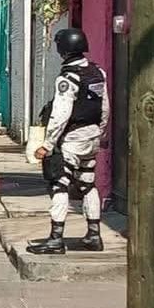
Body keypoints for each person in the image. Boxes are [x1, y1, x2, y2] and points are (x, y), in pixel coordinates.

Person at [29, 28, 109, 255]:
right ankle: (94, 235)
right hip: (91, 135)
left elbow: (60, 113)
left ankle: (56, 238)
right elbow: (104, 107)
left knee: (59, 184)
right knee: (87, 183)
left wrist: (47, 144)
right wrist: (100, 132)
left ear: (63, 49)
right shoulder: (98, 73)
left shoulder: (68, 78)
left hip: (72, 138)